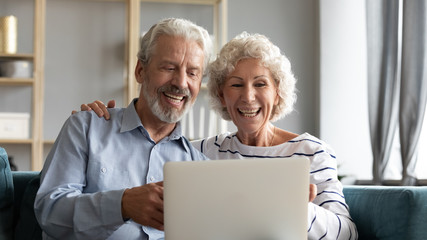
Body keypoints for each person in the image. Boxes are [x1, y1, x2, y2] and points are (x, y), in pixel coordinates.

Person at [84, 32, 358, 239]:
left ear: (277, 92)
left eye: (260, 84)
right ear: (221, 95)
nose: (248, 97)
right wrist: (101, 125)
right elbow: (142, 167)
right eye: (236, 85)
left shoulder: (311, 151)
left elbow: (347, 233)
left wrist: (298, 209)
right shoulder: (200, 152)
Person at [34, 18, 212, 240]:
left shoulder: (199, 166)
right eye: (169, 67)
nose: (181, 82)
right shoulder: (86, 127)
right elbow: (50, 213)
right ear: (140, 71)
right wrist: (122, 204)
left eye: (192, 73)